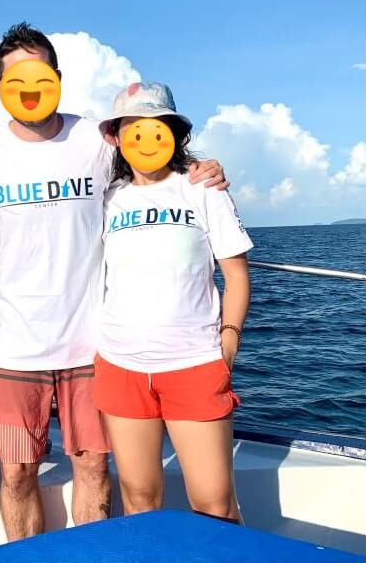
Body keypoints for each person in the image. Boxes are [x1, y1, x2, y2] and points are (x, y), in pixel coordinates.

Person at [0, 23, 229, 541]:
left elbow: (150, 156)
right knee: (15, 476)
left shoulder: (94, 139)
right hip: (14, 348)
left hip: (93, 346)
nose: (31, 88)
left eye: (41, 75)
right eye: (17, 78)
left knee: (92, 470)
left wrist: (201, 167)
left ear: (58, 77)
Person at [94, 81, 251, 523]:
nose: (145, 138)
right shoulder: (107, 199)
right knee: (139, 498)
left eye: (157, 126)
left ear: (174, 134)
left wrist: (229, 341)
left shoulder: (202, 188)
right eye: (133, 128)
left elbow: (236, 275)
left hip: (193, 364)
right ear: (116, 137)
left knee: (214, 502)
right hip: (121, 365)